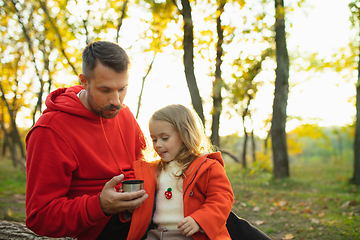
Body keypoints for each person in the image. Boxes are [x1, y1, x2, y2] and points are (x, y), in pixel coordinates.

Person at [25, 41, 148, 240]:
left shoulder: (123, 114)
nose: (116, 101)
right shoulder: (50, 130)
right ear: (84, 81)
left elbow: (143, 165)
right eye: (105, 90)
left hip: (144, 212)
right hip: (101, 228)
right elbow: (40, 217)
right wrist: (99, 205)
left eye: (122, 89)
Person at [126, 104, 234, 240]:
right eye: (154, 139)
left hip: (191, 234)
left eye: (165, 138)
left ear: (185, 135)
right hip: (156, 234)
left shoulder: (207, 167)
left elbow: (222, 198)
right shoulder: (154, 170)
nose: (158, 144)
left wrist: (199, 220)